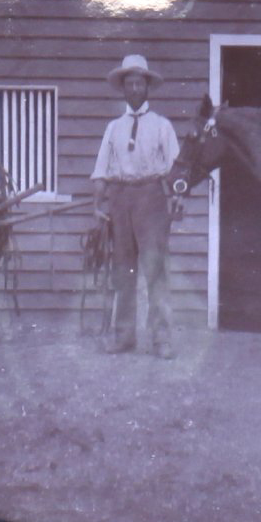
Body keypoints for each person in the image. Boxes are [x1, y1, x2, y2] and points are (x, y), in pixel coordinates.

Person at [91, 55, 180, 359]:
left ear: (147, 87)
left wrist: (175, 200)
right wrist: (98, 205)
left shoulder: (162, 126)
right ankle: (123, 336)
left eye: (139, 83)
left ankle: (161, 339)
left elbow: (175, 170)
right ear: (123, 89)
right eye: (129, 83)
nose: (134, 88)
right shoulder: (113, 128)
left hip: (151, 197)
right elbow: (101, 170)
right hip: (119, 199)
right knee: (122, 271)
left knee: (155, 271)